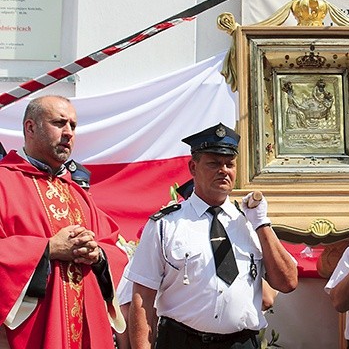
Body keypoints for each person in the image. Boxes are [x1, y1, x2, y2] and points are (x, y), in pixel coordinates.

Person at [126, 122, 298, 349]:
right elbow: (142, 299)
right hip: (182, 342)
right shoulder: (166, 225)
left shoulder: (249, 223)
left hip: (240, 342)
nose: (224, 170)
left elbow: (287, 282)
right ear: (193, 167)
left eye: (230, 164)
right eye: (214, 163)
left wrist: (262, 224)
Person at [0, 95, 128, 348]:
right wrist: (47, 249)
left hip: (86, 330)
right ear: (30, 127)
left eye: (73, 125)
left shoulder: (77, 192)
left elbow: (116, 251)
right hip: (30, 333)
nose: (69, 132)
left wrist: (98, 254)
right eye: (59, 123)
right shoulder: (4, 183)